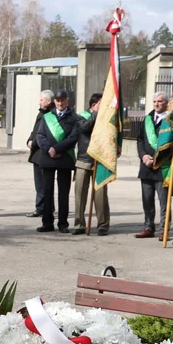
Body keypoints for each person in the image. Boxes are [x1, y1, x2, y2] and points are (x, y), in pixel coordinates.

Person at [32, 90, 80, 233]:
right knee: (47, 192)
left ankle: (63, 223)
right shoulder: (47, 117)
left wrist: (57, 149)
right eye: (58, 101)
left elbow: (73, 137)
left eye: (63, 100)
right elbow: (40, 135)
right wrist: (49, 150)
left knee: (63, 193)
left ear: (67, 101)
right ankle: (47, 223)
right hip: (48, 158)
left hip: (65, 158)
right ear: (54, 102)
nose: (60, 103)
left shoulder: (74, 118)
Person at [72, 93, 109, 236]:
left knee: (100, 195)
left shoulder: (106, 118)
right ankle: (79, 224)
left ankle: (103, 224)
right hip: (84, 160)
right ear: (94, 105)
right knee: (80, 195)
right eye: (101, 104)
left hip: (100, 160)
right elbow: (85, 129)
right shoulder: (81, 116)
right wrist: (95, 114)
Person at [134, 92, 169, 238]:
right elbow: (140, 140)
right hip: (146, 167)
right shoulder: (147, 119)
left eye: (160, 101)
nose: (156, 104)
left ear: (166, 103)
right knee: (147, 200)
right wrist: (143, 156)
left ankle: (163, 230)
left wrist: (156, 158)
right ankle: (148, 227)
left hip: (162, 167)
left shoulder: (171, 121)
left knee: (163, 202)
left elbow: (172, 144)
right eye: (154, 101)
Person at [26, 91, 52, 217]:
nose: (39, 102)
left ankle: (42, 207)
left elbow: (43, 134)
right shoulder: (41, 113)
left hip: (43, 153)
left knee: (42, 183)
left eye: (42, 100)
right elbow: (35, 130)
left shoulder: (50, 115)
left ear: (49, 101)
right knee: (40, 183)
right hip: (37, 153)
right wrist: (29, 140)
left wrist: (34, 142)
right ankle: (45, 206)